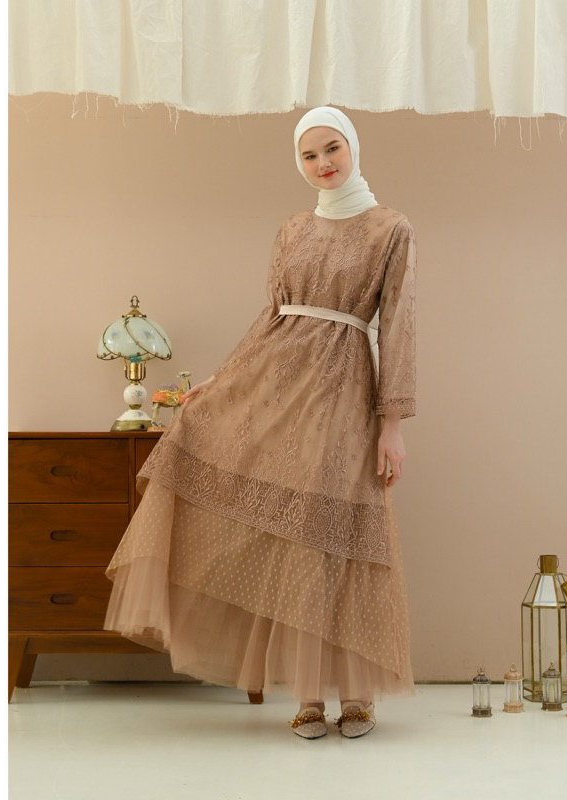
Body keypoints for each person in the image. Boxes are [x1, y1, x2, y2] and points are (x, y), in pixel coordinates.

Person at [104, 106, 417, 739]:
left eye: (332, 148)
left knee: (334, 534)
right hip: (280, 384)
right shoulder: (291, 229)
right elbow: (271, 315)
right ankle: (308, 697)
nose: (323, 163)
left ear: (353, 147)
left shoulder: (391, 228)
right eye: (309, 154)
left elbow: (399, 325)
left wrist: (392, 425)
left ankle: (357, 696)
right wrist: (221, 382)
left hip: (345, 391)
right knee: (293, 536)